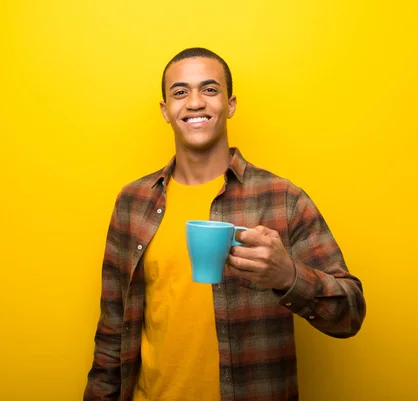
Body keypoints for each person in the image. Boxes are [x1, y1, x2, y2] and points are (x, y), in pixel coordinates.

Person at [84, 47, 366, 401]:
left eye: (210, 89)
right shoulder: (133, 203)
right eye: (181, 92)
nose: (195, 103)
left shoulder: (283, 199)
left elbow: (350, 314)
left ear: (230, 105)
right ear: (165, 111)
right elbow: (112, 331)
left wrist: (287, 275)